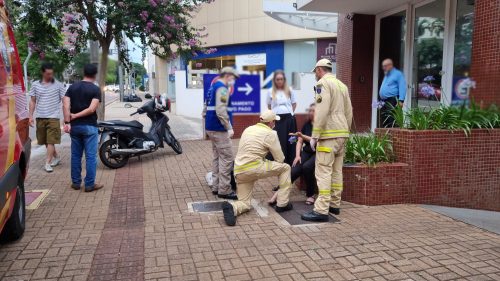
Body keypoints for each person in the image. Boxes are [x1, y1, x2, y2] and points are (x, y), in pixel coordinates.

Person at [301, 59, 353, 222]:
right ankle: (334, 205)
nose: (315, 75)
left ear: (319, 70)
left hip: (328, 135)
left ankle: (321, 210)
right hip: (342, 134)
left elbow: (321, 111)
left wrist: (315, 135)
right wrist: (346, 131)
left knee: (323, 172)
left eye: (315, 72)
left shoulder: (322, 84)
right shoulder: (342, 85)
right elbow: (349, 111)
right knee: (337, 171)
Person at [222, 110, 294, 226]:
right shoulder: (271, 133)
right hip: (254, 168)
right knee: (285, 168)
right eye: (274, 121)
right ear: (271, 122)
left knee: (245, 203)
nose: (275, 123)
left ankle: (233, 207)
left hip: (239, 170)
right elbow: (280, 159)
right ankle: (282, 204)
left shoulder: (248, 129)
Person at [63, 64, 103, 192]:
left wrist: (67, 121)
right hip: (90, 127)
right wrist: (75, 115)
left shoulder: (72, 87)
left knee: (76, 155)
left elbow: (65, 104)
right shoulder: (96, 89)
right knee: (91, 157)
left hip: (75, 128)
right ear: (95, 74)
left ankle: (76, 182)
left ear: (83, 73)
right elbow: (92, 109)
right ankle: (89, 184)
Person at [268, 103, 317, 205]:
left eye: (314, 110)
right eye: (310, 110)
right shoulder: (307, 124)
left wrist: (302, 136)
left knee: (307, 167)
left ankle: (311, 195)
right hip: (307, 152)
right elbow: (299, 141)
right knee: (294, 169)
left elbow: (316, 141)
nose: (311, 112)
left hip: (318, 152)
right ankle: (278, 195)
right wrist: (298, 155)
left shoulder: (321, 125)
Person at [203, 67, 239, 200]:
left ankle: (216, 186)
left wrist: (206, 118)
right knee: (227, 158)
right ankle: (224, 190)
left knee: (217, 157)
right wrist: (228, 127)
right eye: (233, 77)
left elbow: (205, 108)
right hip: (219, 129)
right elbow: (221, 111)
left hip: (211, 127)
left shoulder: (213, 87)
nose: (233, 81)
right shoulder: (223, 88)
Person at [29, 62, 66, 172]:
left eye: (51, 74)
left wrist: (66, 118)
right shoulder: (35, 84)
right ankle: (57, 157)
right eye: (48, 74)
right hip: (40, 116)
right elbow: (32, 101)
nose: (50, 76)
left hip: (53, 117)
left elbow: (65, 102)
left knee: (51, 141)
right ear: (42, 73)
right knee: (45, 141)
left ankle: (47, 163)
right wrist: (30, 116)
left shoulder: (59, 85)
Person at [266, 70, 297, 165]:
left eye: (281, 79)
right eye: (277, 79)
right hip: (277, 120)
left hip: (289, 120)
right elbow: (269, 106)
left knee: (291, 140)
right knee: (279, 141)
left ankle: (292, 161)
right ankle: (280, 163)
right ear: (274, 80)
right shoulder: (270, 91)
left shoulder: (290, 90)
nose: (279, 81)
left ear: (284, 80)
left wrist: (290, 115)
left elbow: (294, 104)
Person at [379, 58, 406, 127]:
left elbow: (402, 86)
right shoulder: (387, 75)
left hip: (393, 100)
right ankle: (385, 134)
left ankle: (392, 135)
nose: (383, 68)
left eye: (385, 66)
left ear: (390, 65)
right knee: (384, 118)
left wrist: (401, 100)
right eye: (383, 66)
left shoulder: (398, 74)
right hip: (384, 100)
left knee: (391, 118)